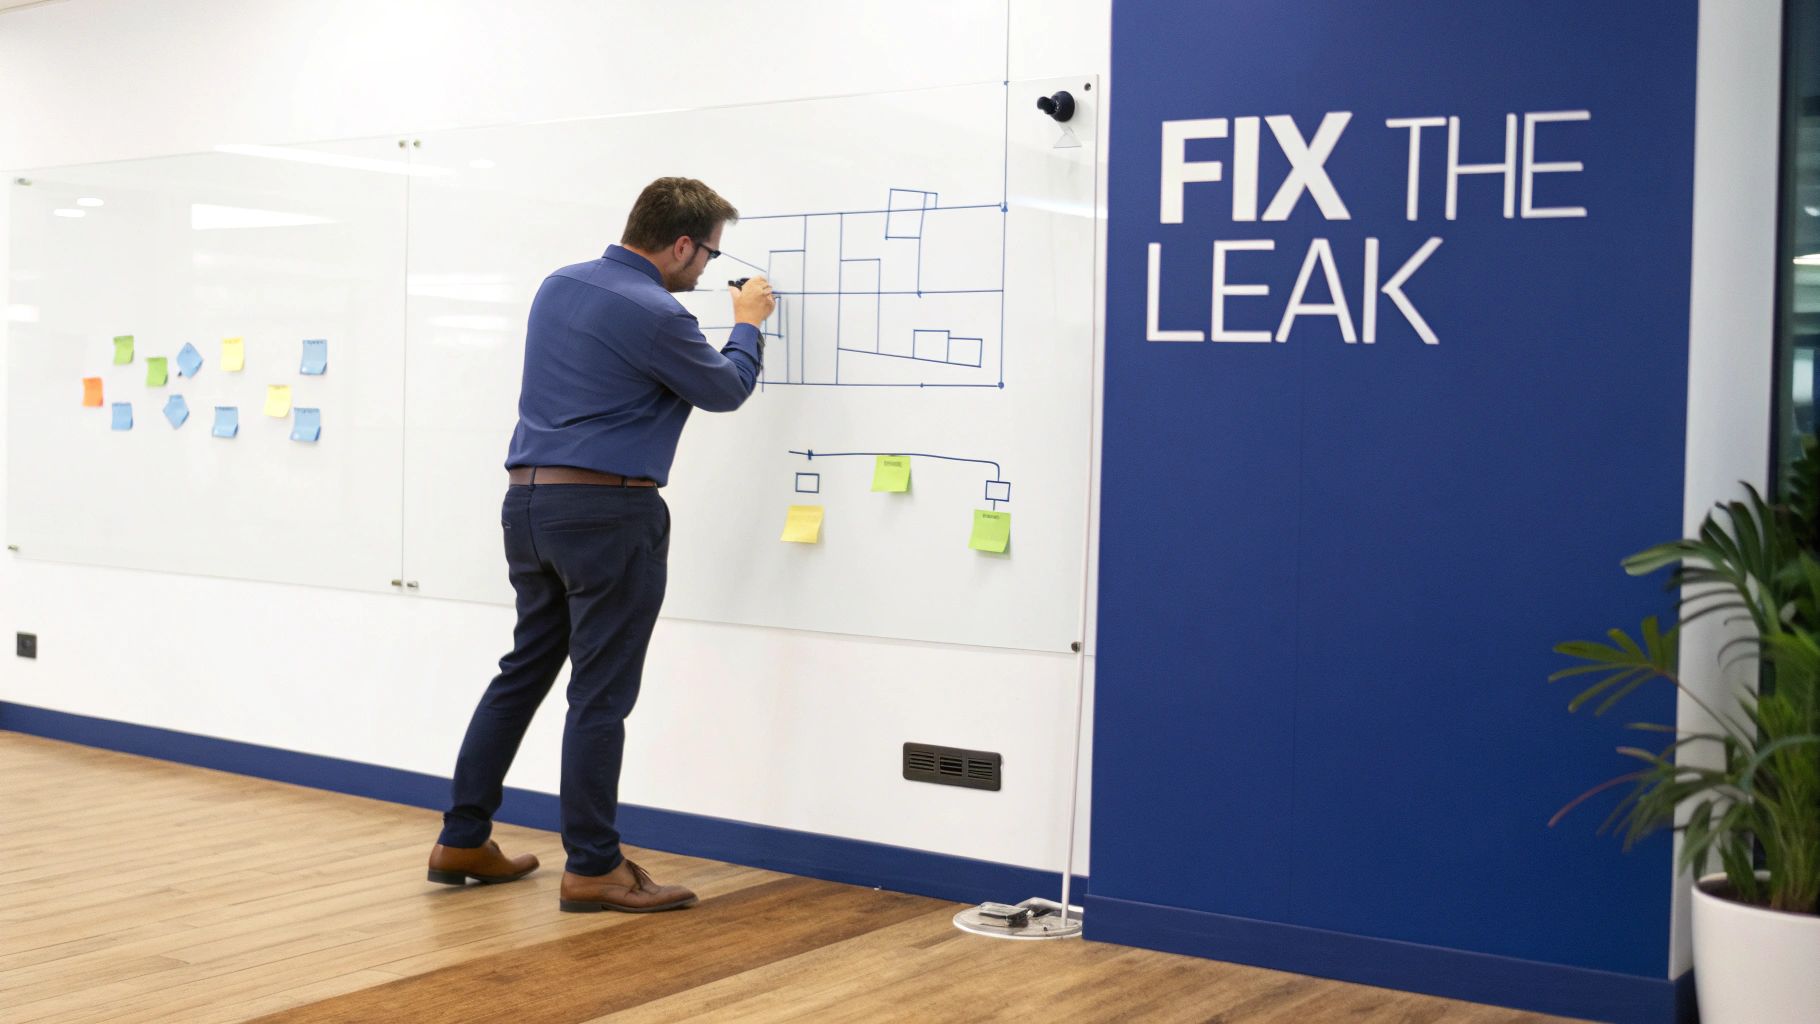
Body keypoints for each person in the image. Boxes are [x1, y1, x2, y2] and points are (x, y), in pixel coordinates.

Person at [425, 176, 775, 913]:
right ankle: (592, 866)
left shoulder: (559, 286)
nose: (708, 271)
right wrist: (747, 324)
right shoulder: (658, 313)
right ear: (681, 244)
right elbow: (725, 390)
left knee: (522, 673)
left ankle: (462, 837)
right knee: (599, 696)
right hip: (608, 515)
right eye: (709, 255)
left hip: (528, 504)